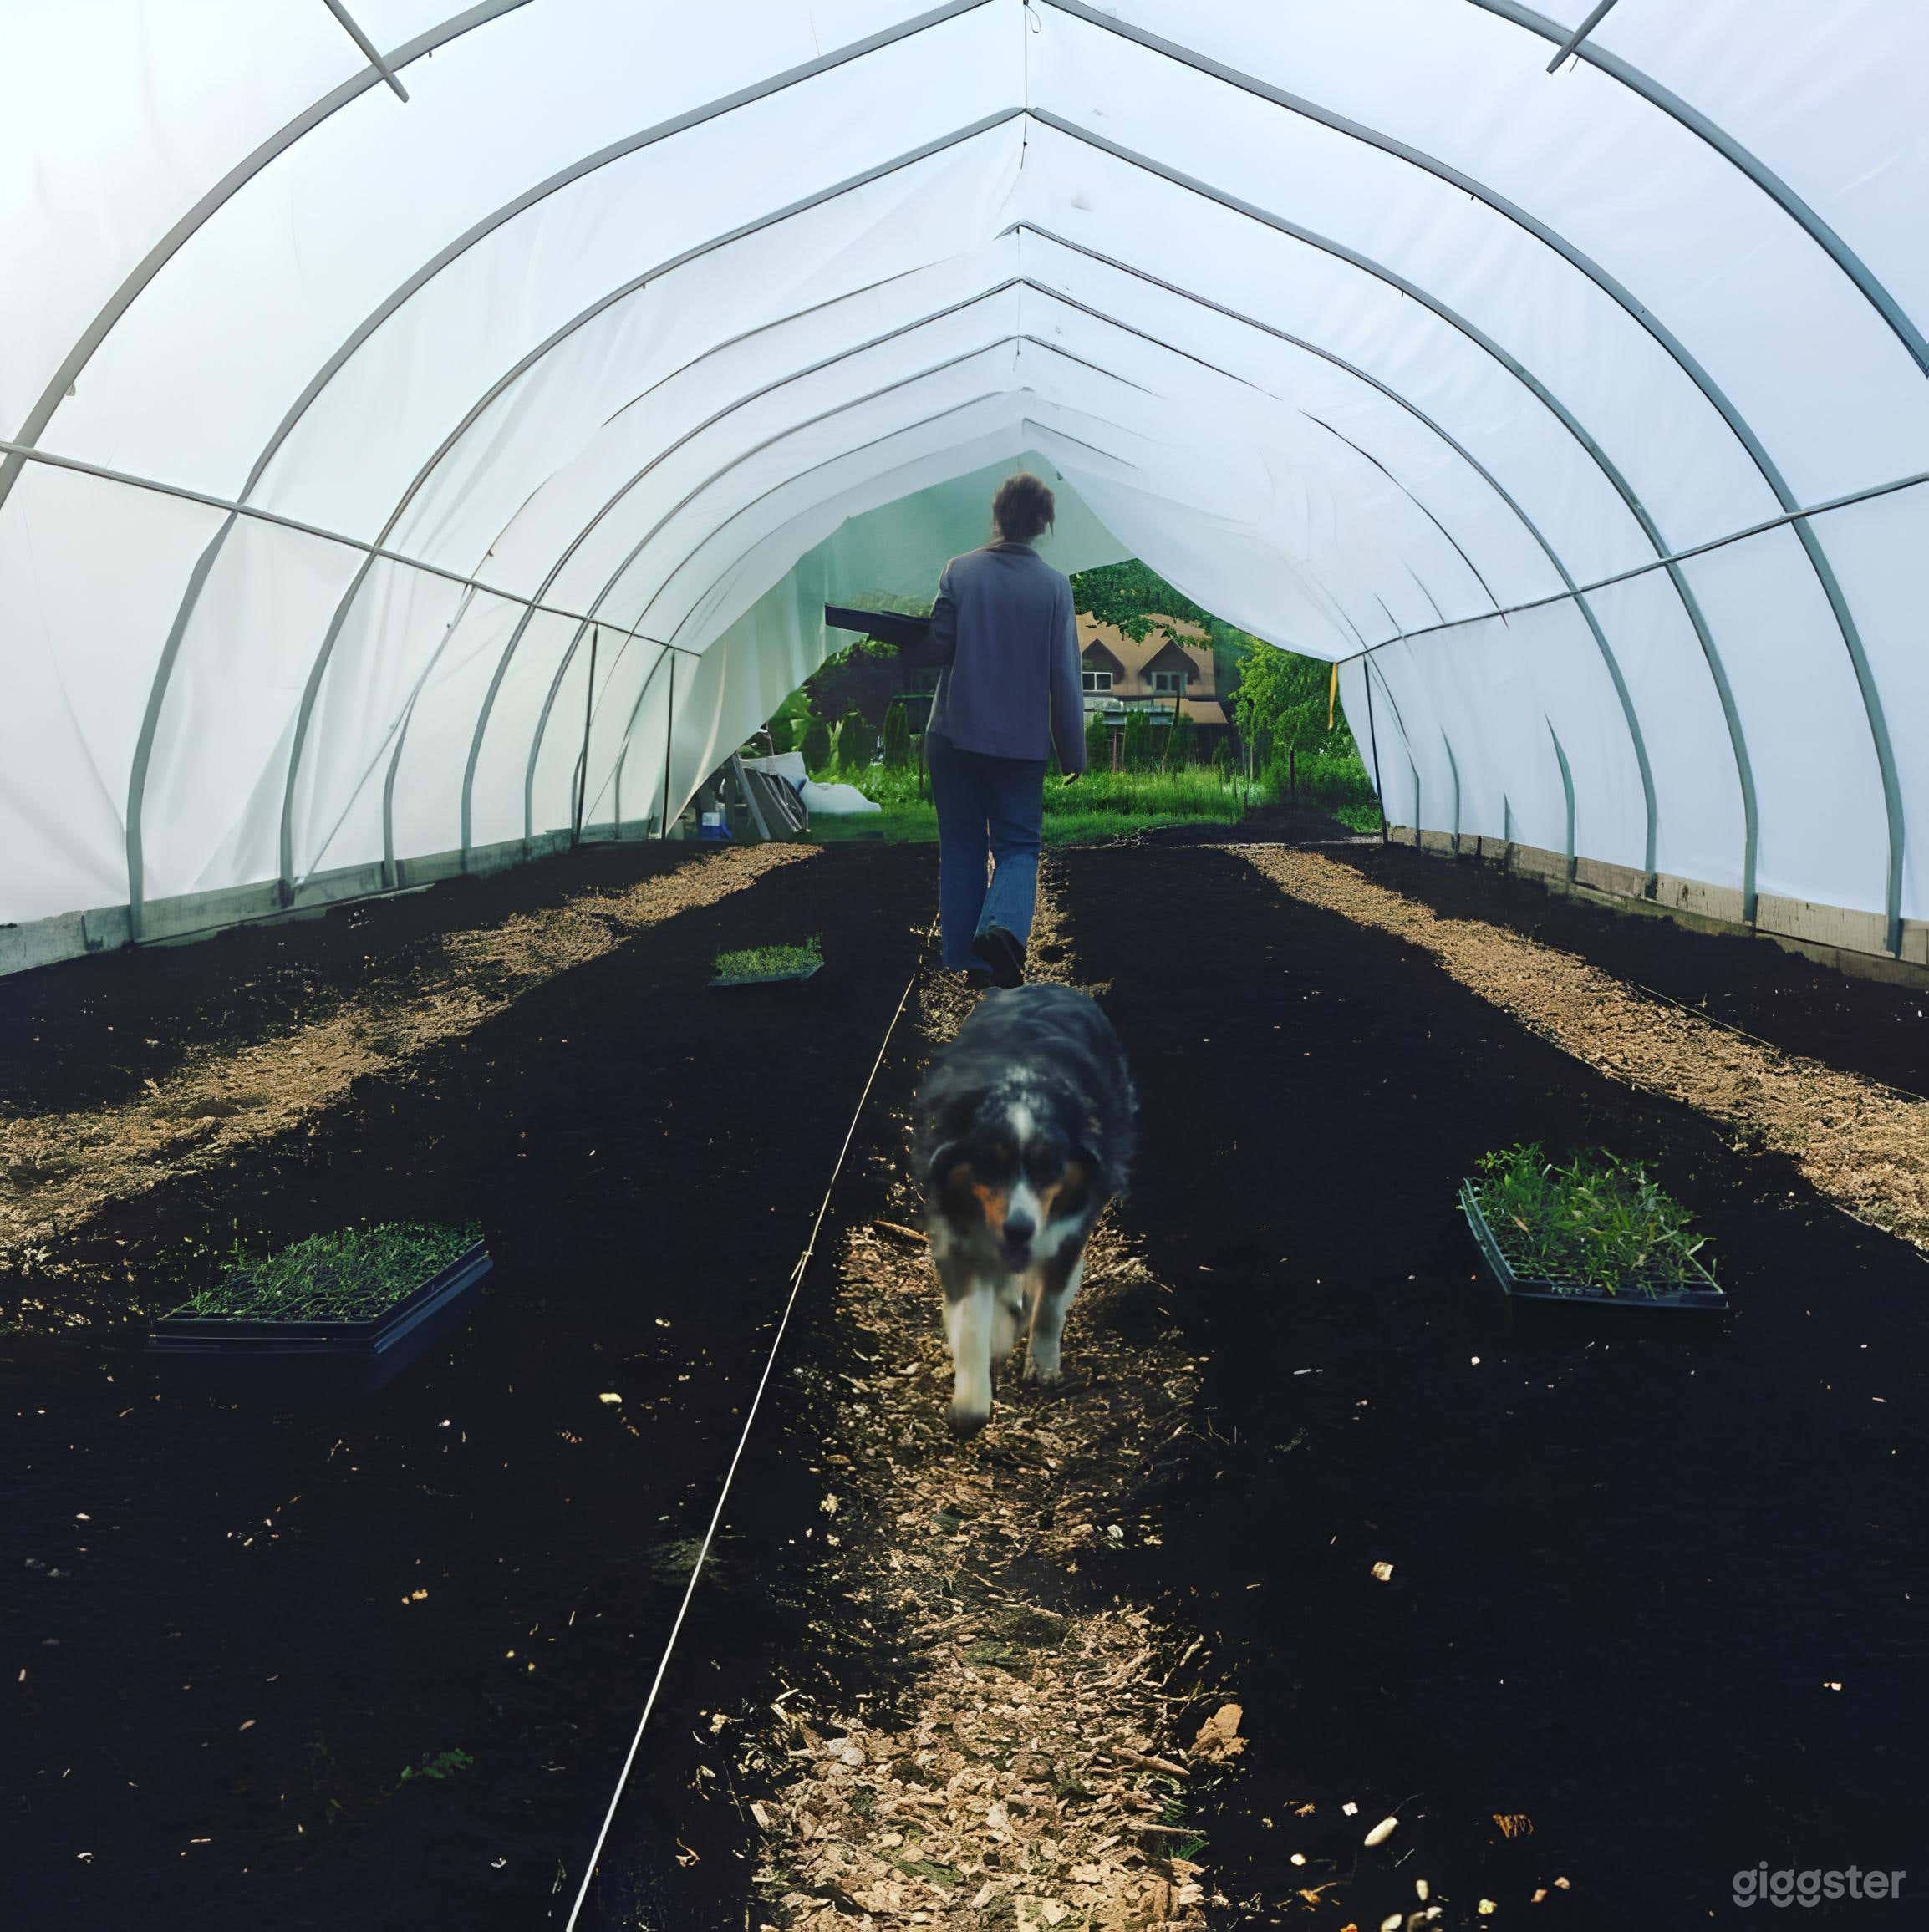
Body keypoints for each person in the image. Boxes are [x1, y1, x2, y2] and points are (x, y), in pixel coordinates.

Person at [922, 472, 1087, 987]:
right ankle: (1002, 930)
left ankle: (964, 958)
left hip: (954, 735)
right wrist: (1072, 753)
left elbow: (937, 651)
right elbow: (1064, 675)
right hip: (1020, 743)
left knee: (963, 846)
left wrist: (904, 637)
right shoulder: (1055, 587)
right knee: (1017, 846)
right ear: (1044, 525)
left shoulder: (959, 573)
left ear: (996, 516)